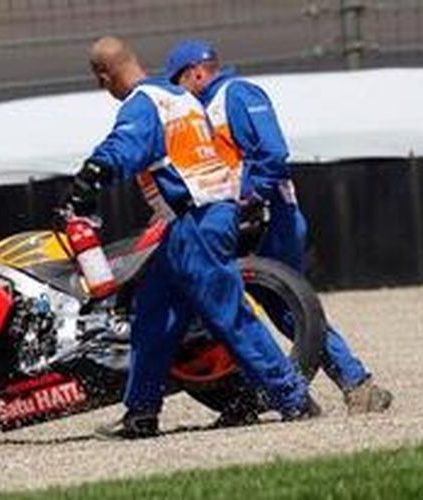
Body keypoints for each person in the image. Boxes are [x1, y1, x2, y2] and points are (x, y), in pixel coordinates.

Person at [68, 37, 317, 440]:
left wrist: (91, 175)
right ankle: (141, 413)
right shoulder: (181, 97)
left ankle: (293, 397)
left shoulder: (142, 104)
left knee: (227, 313)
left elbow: (127, 145)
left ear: (103, 77)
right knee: (154, 312)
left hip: (196, 220)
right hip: (195, 220)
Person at [163, 39, 393, 415]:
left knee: (287, 304)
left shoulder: (236, 94)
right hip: (244, 220)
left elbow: (272, 152)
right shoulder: (202, 109)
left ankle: (355, 383)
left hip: (271, 217)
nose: (178, 92)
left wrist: (250, 196)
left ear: (197, 73)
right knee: (251, 306)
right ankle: (281, 395)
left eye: (179, 82)